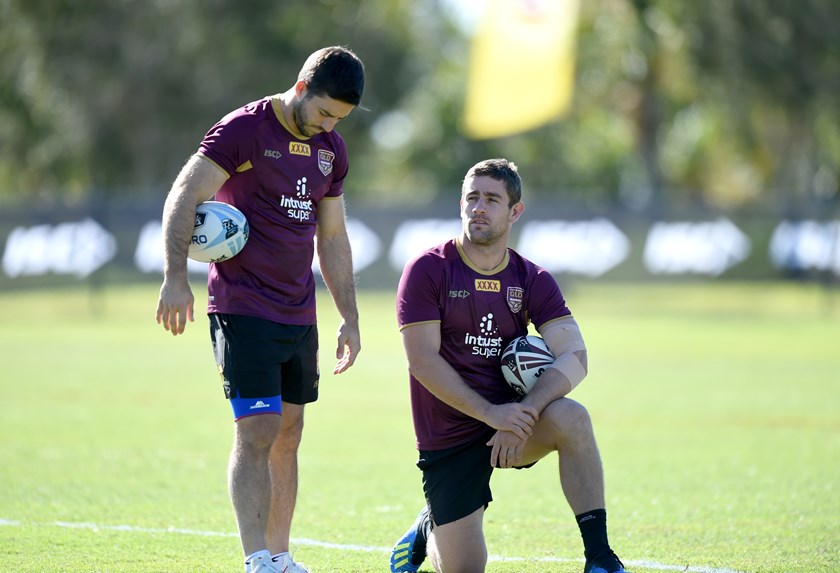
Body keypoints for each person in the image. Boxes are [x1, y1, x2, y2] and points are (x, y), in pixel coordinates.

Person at [155, 46, 365, 573]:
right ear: (300, 89)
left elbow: (333, 236)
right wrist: (175, 276)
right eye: (322, 113)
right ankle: (255, 560)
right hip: (242, 304)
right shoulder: (242, 130)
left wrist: (351, 317)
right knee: (257, 431)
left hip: (299, 311)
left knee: (290, 432)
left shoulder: (331, 151)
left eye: (337, 120)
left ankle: (280, 555)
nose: (326, 127)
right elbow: (183, 195)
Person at [390, 159, 627, 573]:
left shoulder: (532, 278)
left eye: (492, 199)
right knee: (466, 569)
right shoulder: (428, 269)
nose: (479, 207)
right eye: (472, 198)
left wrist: (525, 410)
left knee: (572, 417)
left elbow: (576, 355)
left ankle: (601, 558)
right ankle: (431, 525)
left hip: (512, 426)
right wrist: (491, 413)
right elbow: (422, 361)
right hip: (449, 435)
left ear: (515, 211)